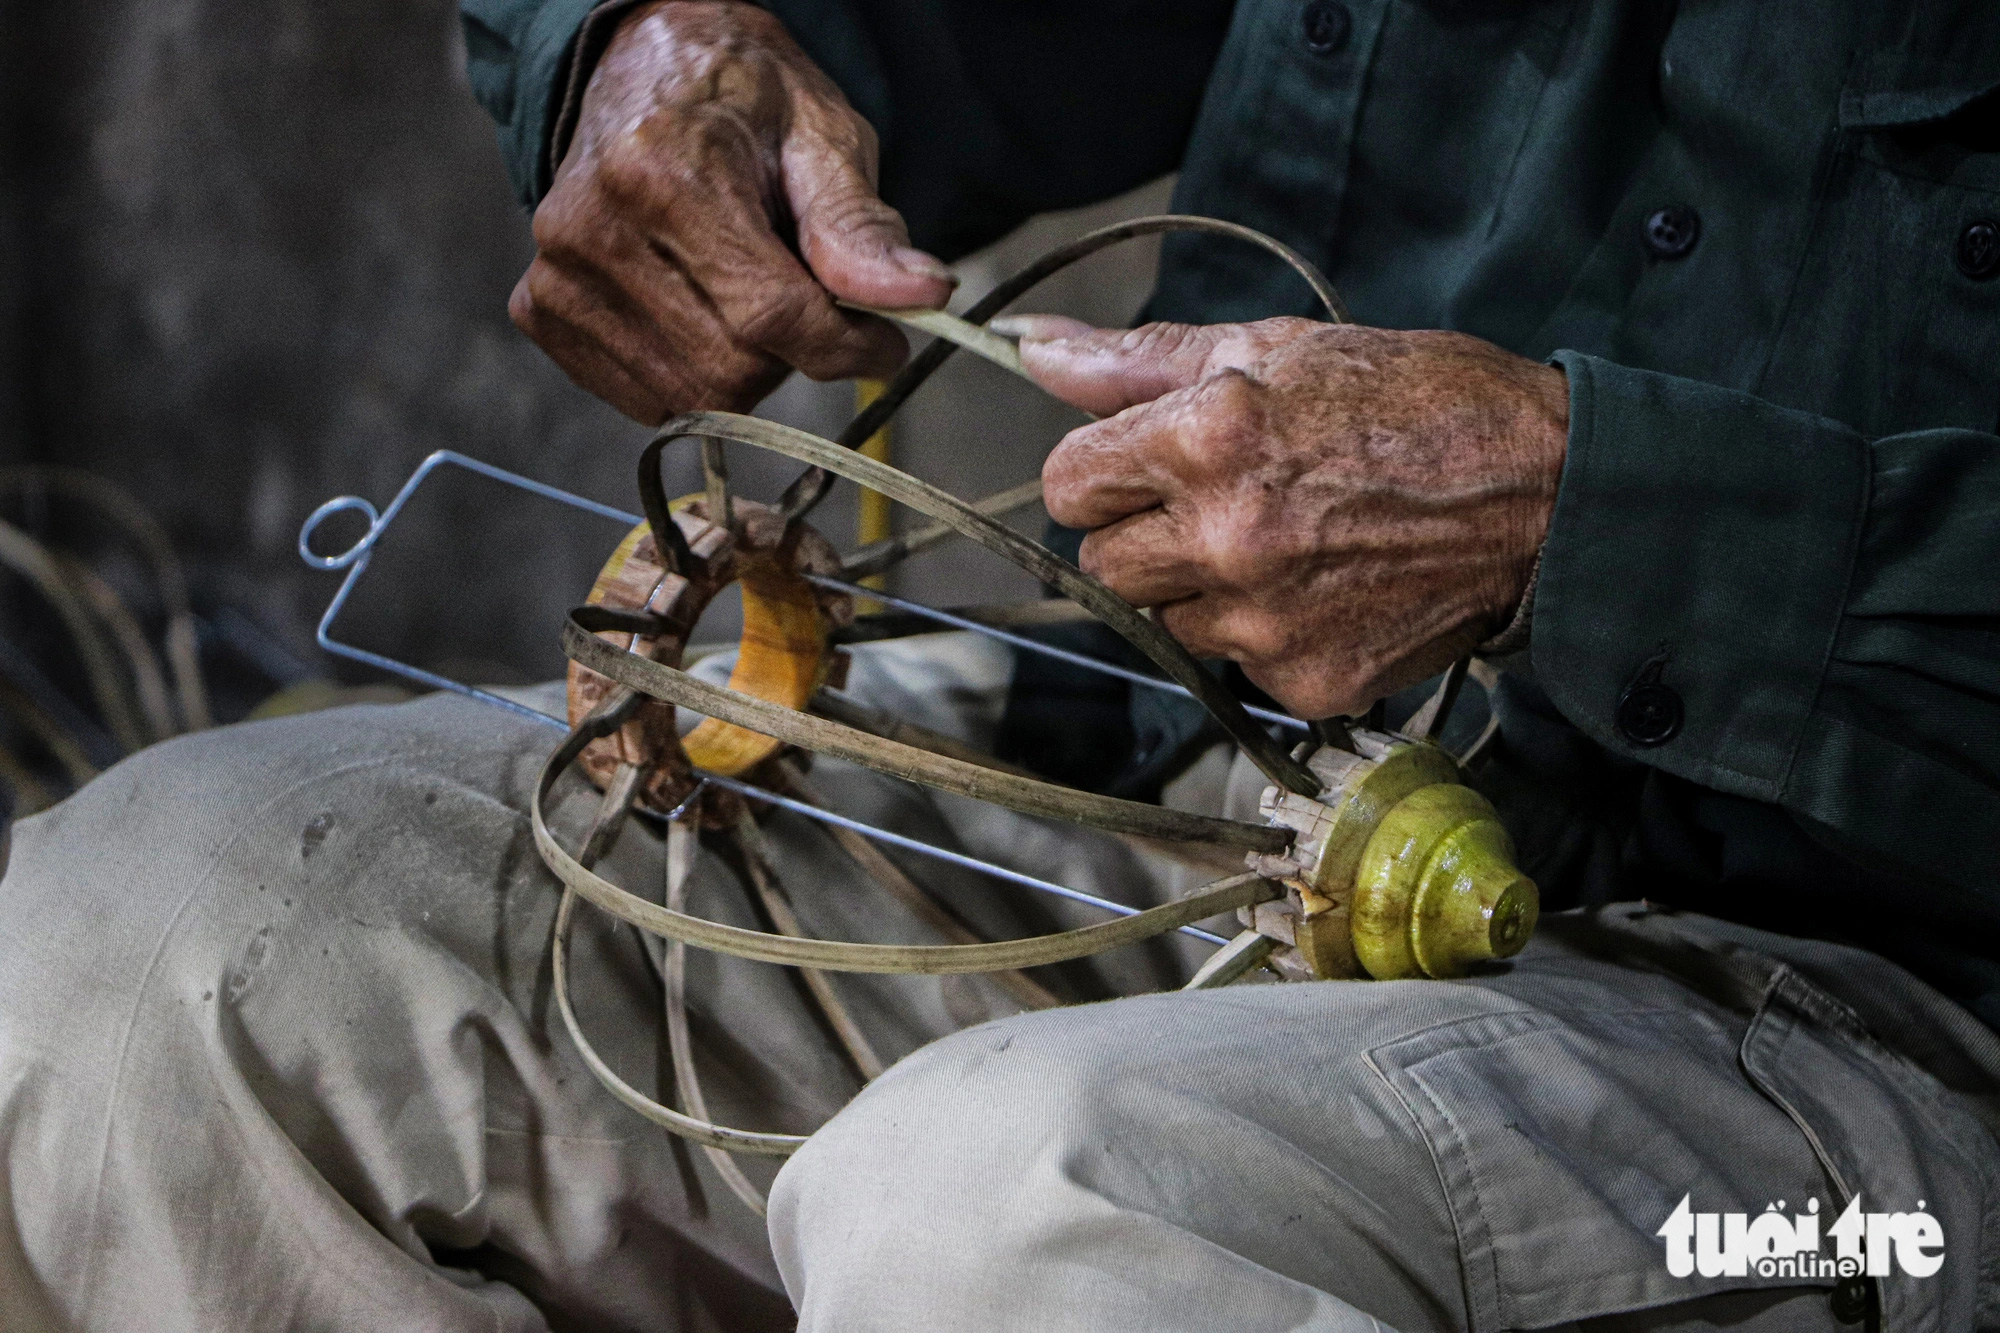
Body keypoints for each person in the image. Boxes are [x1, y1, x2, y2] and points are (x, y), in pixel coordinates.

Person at [2, 0, 1996, 1329]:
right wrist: (658, 47)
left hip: (1874, 1003)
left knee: (1005, 1210)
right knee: (154, 942)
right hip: (1192, 770)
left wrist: (1593, 519)